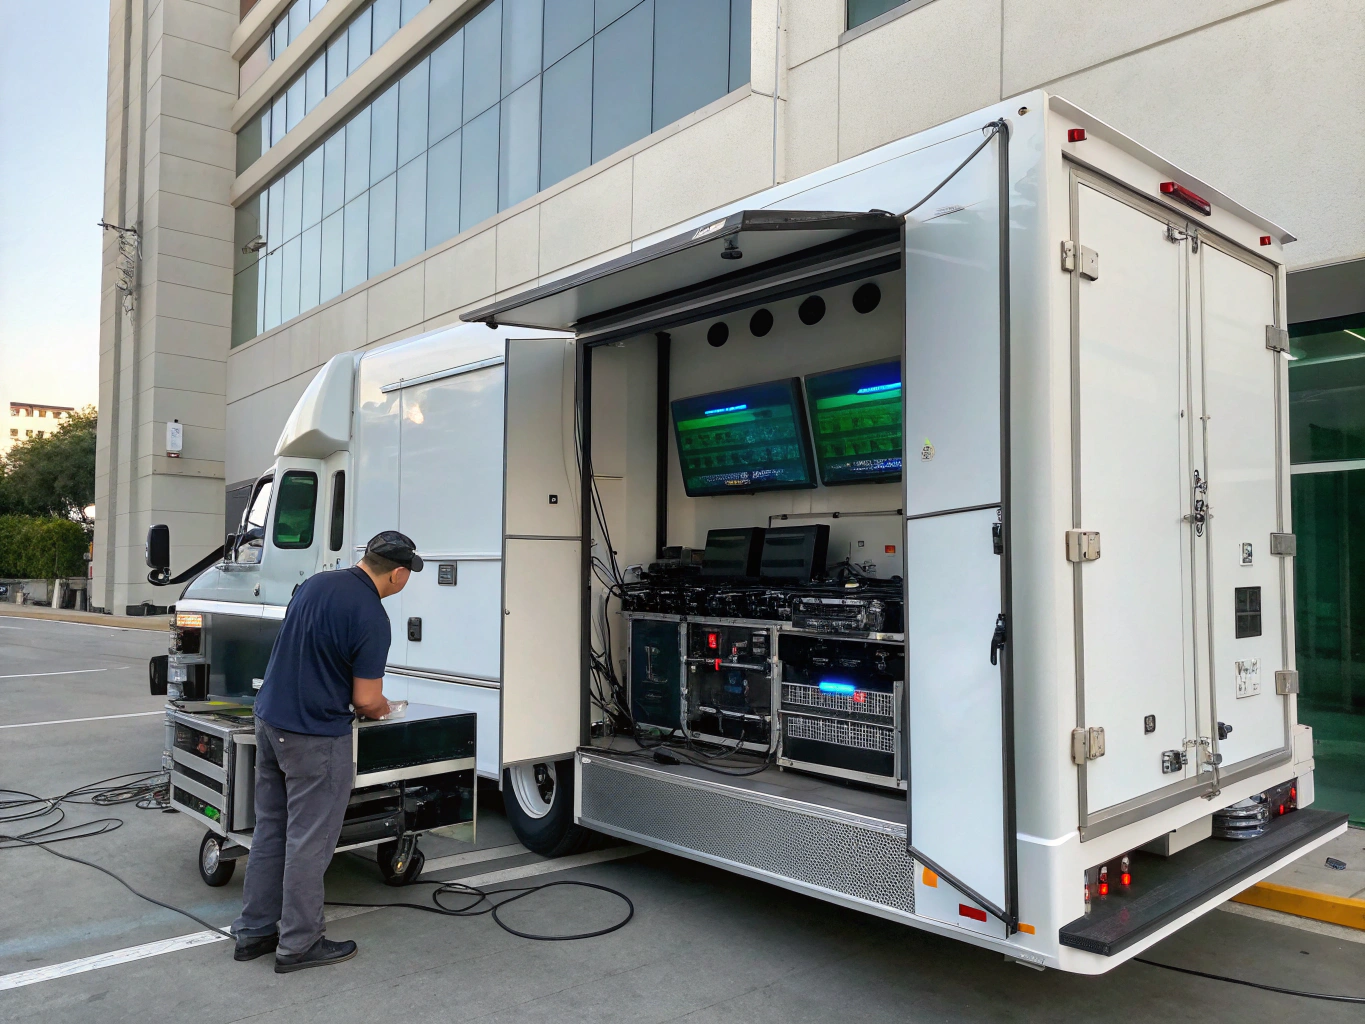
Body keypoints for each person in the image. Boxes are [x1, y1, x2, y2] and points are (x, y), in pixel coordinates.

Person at [231, 531, 423, 973]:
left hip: (270, 723)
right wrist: (384, 709)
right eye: (407, 575)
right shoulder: (373, 617)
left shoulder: (317, 583)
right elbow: (365, 700)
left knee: (272, 831)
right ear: (397, 574)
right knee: (310, 841)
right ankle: (299, 944)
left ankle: (255, 931)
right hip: (314, 737)